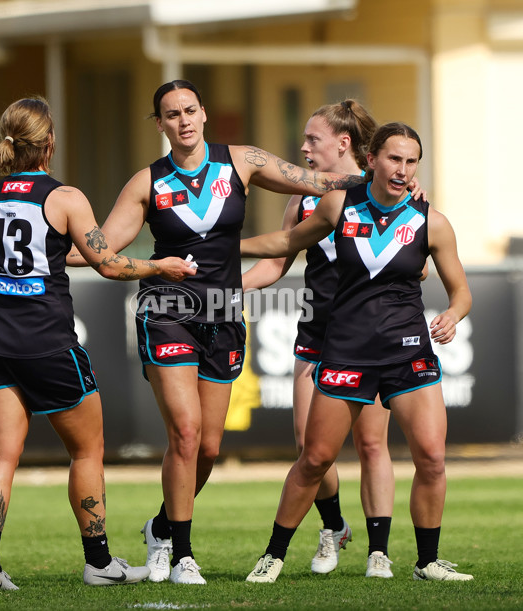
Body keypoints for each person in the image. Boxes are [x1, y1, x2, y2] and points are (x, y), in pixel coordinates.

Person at [68, 79, 365, 585]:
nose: (182, 120)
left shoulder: (242, 160)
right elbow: (97, 251)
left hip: (225, 316)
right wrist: (150, 265)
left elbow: (319, 183)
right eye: (170, 114)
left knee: (207, 448)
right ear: (159, 124)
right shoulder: (147, 182)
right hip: (165, 311)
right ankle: (180, 552)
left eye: (189, 110)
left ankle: (159, 527)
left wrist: (386, 181)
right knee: (184, 433)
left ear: (203, 113)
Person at [0, 97, 196, 591]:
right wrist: (162, 266)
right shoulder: (64, 197)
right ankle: (99, 563)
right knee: (87, 452)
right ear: (49, 142)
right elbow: (109, 264)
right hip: (48, 344)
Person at [242, 122, 473, 583]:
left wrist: (452, 315)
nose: (402, 170)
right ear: (371, 160)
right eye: (393, 159)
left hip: (408, 353)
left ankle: (426, 561)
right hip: (346, 351)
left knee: (431, 457)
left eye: (411, 162)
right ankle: (273, 555)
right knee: (314, 458)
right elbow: (286, 244)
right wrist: (224, 250)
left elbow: (461, 291)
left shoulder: (432, 221)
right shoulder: (337, 203)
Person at [243, 100, 399, 578]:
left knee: (371, 443)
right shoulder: (304, 199)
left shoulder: (390, 192)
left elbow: (420, 257)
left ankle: (379, 552)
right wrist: (222, 282)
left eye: (313, 139)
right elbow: (275, 263)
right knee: (308, 446)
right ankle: (333, 528)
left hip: (371, 337)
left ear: (343, 143)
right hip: (317, 333)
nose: (304, 147)